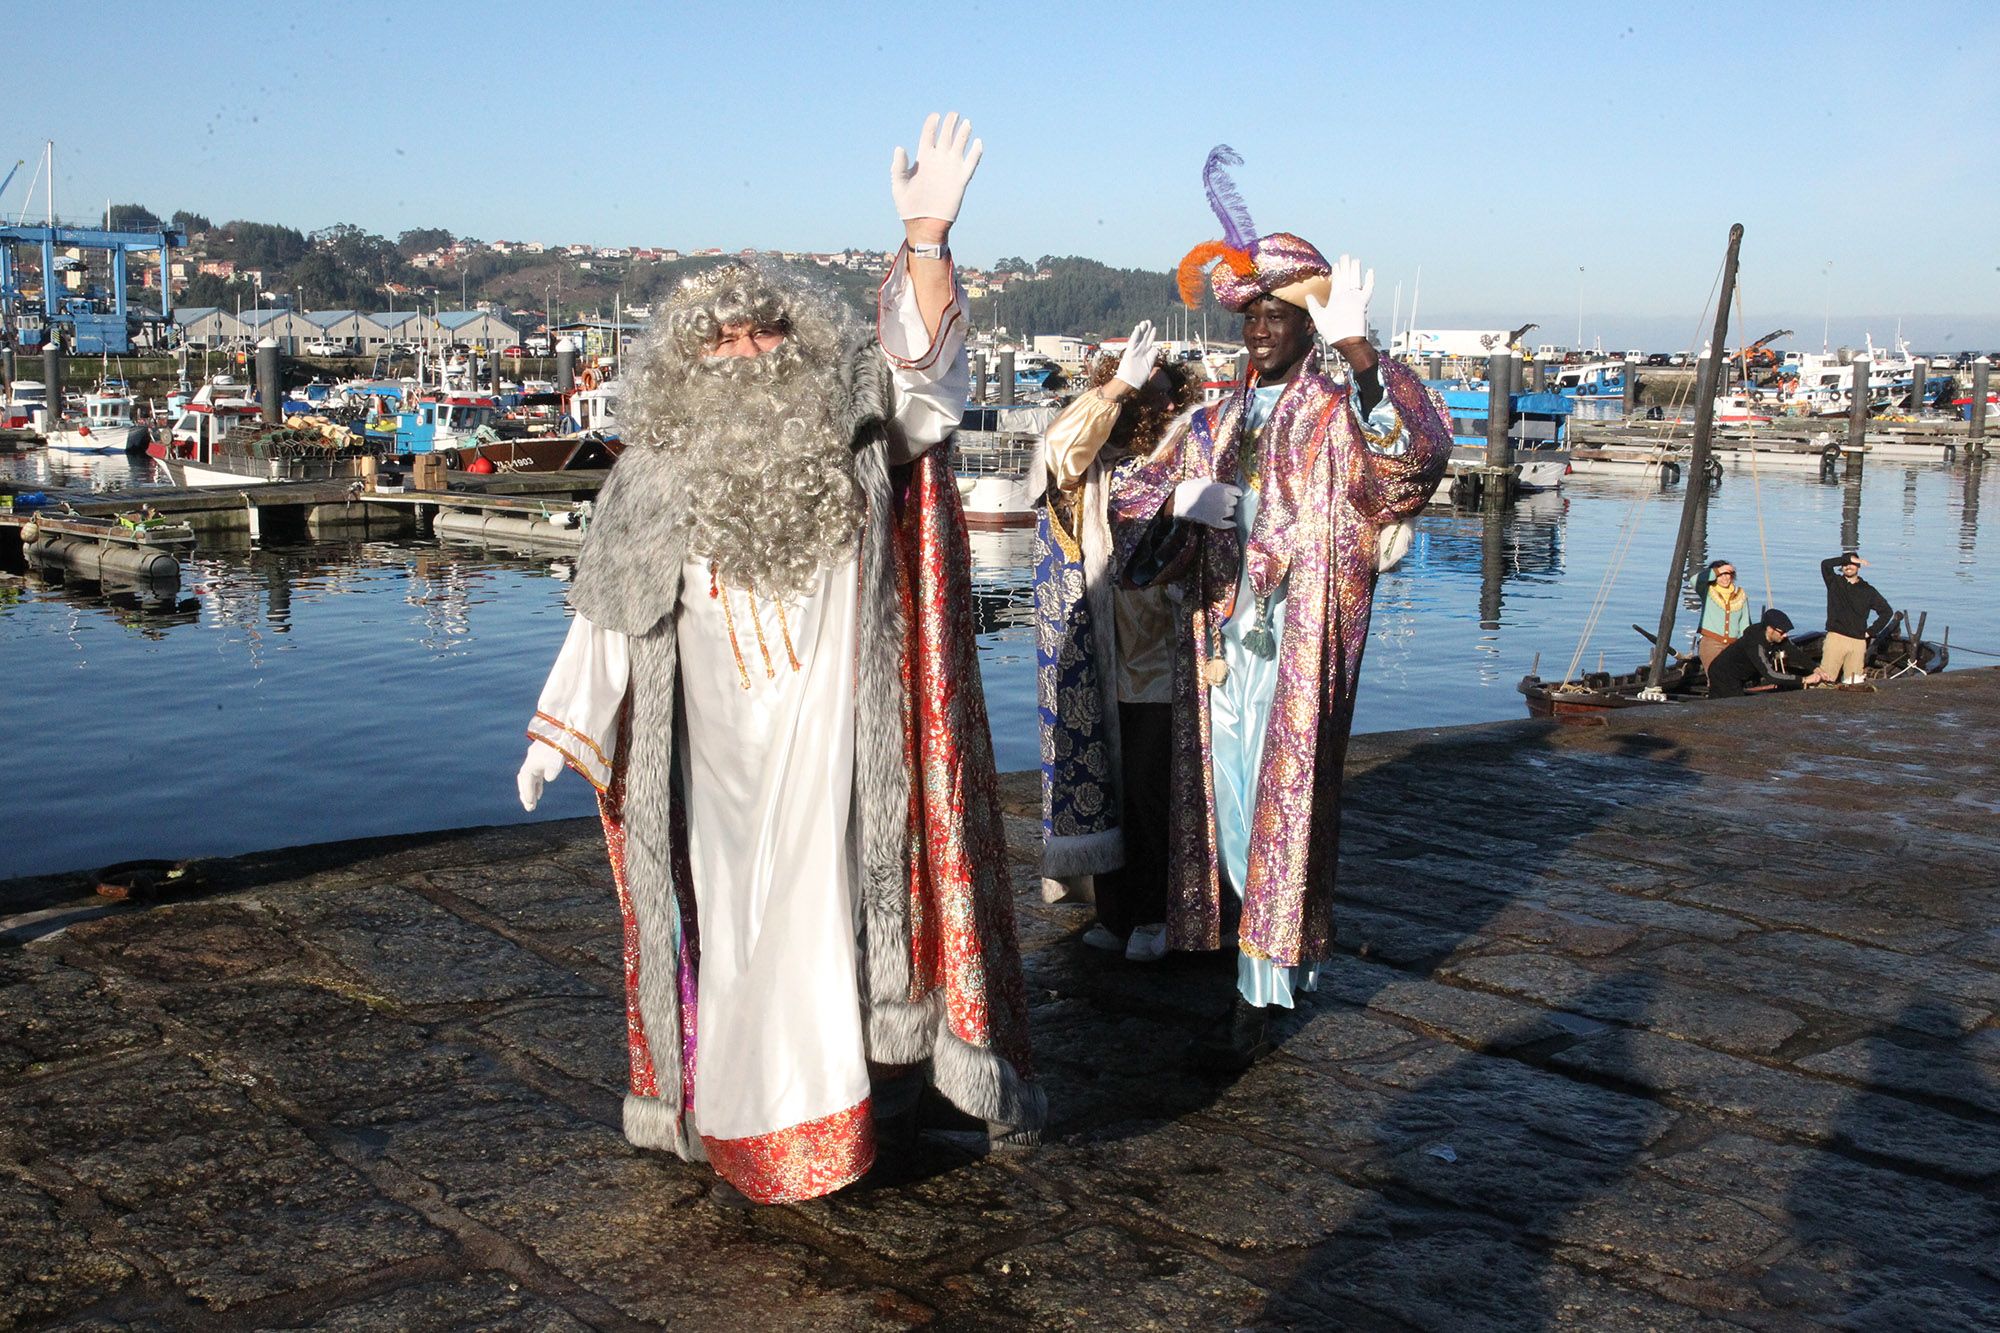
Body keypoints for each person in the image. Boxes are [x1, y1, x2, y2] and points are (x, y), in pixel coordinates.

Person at [515, 113, 1042, 1206]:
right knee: (741, 939)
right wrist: (558, 728)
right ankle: (750, 1128)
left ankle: (877, 1117)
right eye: (723, 342)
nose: (748, 357)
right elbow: (609, 612)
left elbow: (928, 386)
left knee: (862, 919)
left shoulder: (857, 432)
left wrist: (929, 239)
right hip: (719, 763)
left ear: (798, 346)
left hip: (846, 738)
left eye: (766, 337)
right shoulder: (652, 474)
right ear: (686, 365)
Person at [1110, 147, 1453, 1071]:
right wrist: (1180, 508)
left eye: (1277, 315)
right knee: (1224, 801)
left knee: (1284, 800)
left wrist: (1361, 351)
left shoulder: (1339, 407)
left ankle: (1262, 982)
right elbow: (1138, 502)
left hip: (1297, 635)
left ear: (1307, 324)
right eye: (1250, 315)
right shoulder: (1215, 416)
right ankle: (1245, 941)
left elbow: (1411, 465)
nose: (1259, 330)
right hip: (1218, 636)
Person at [1034, 321, 1203, 962]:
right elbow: (1059, 452)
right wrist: (1113, 390)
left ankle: (1163, 911)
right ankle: (1117, 909)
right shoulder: (1096, 468)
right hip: (1104, 652)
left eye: (1163, 392)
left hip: (1171, 652)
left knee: (1157, 789)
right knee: (1106, 782)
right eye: (1142, 394)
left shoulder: (1194, 454)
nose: (1155, 405)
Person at [1803, 551, 1892, 685]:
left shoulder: (1868, 590)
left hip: (1857, 642)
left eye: (1852, 564)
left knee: (1854, 682)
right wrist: (1848, 558)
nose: (1848, 566)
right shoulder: (1834, 582)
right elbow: (1825, 564)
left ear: (1858, 567)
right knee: (1826, 679)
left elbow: (1886, 612)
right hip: (1836, 638)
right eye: (1845, 564)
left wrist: (1870, 632)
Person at [1706, 608, 1798, 698]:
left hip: (1738, 674)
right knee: (1735, 705)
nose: (1785, 635)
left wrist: (1813, 669)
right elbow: (1770, 675)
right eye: (1782, 632)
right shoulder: (1755, 644)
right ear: (1770, 629)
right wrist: (1803, 680)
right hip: (1724, 674)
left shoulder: (1775, 637)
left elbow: (1796, 653)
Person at [1693, 558, 1750, 671]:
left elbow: (1744, 623)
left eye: (1727, 574)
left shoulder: (1740, 594)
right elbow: (1695, 580)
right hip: (1711, 643)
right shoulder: (1707, 590)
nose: (1724, 578)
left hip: (1733, 645)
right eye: (1720, 575)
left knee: (1732, 677)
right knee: (1716, 676)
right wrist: (1718, 570)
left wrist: (1745, 644)